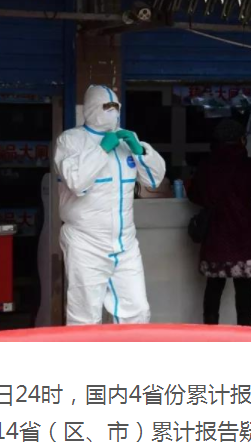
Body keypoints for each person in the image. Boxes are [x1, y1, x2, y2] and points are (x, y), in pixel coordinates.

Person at [52, 85, 166, 325]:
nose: (113, 112)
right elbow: (76, 181)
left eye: (116, 107)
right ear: (92, 108)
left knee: (137, 311)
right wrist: (102, 148)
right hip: (86, 242)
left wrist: (140, 150)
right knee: (84, 316)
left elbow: (154, 180)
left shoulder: (126, 140)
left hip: (125, 244)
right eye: (107, 107)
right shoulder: (71, 140)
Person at [188, 118, 251, 326]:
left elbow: (194, 195)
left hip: (215, 236)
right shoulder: (249, 166)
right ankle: (245, 333)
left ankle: (210, 332)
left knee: (213, 286)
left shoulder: (206, 166)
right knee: (244, 288)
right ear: (241, 140)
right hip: (243, 237)